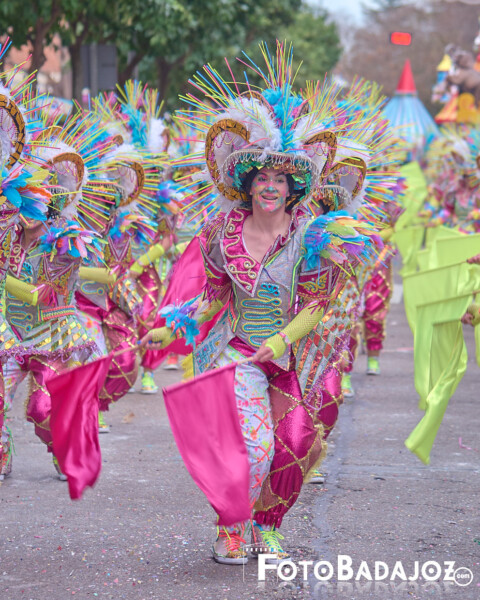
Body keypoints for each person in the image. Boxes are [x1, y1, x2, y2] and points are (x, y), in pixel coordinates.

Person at [140, 43, 383, 565]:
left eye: (280, 179)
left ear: (293, 187)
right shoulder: (221, 231)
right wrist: (172, 328)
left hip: (288, 354)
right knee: (252, 446)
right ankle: (230, 527)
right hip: (238, 353)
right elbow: (213, 297)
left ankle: (266, 524)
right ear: (246, 184)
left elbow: (316, 305)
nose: (270, 187)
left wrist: (280, 341)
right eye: (261, 179)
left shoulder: (312, 234)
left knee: (296, 441)